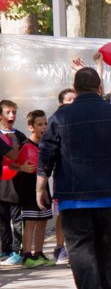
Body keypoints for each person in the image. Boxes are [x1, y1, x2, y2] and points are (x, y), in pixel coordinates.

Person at [37, 67, 111, 289]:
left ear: (75, 88)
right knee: (105, 241)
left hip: (74, 192)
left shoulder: (61, 117)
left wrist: (41, 183)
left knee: (80, 244)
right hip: (109, 190)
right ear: (101, 88)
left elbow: (47, 150)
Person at [14, 110, 53, 267]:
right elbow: (19, 170)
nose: (44, 127)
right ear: (31, 127)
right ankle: (27, 255)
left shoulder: (46, 145)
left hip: (44, 188)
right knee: (30, 222)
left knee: (43, 220)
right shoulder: (25, 146)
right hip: (30, 189)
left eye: (45, 124)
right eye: (39, 124)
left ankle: (39, 253)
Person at [0, 99, 27, 266]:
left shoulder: (19, 135)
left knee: (17, 219)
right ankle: (6, 249)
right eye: (8, 112)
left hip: (16, 184)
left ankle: (18, 250)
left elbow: (22, 156)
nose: (12, 115)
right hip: (1, 184)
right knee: (2, 220)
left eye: (14, 112)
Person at [52, 88, 76, 264]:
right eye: (69, 99)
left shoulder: (82, 119)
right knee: (63, 214)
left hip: (80, 176)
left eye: (75, 98)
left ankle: (74, 249)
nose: (73, 101)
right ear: (62, 103)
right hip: (63, 176)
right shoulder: (57, 120)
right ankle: (60, 248)